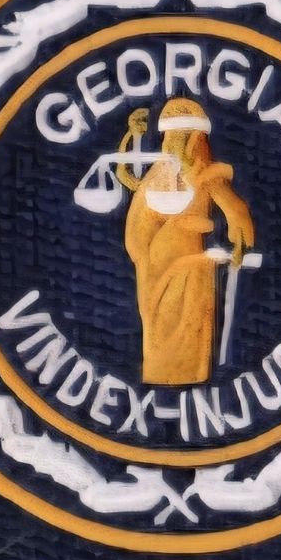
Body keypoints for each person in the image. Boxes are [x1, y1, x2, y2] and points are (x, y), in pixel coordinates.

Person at [114, 96, 256, 385]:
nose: (173, 142)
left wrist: (240, 238)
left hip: (188, 267)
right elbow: (126, 175)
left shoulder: (205, 173)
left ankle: (184, 375)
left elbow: (234, 208)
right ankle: (159, 374)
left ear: (195, 138)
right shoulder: (158, 173)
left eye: (181, 137)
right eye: (170, 136)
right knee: (156, 324)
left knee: (185, 325)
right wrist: (131, 137)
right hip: (151, 269)